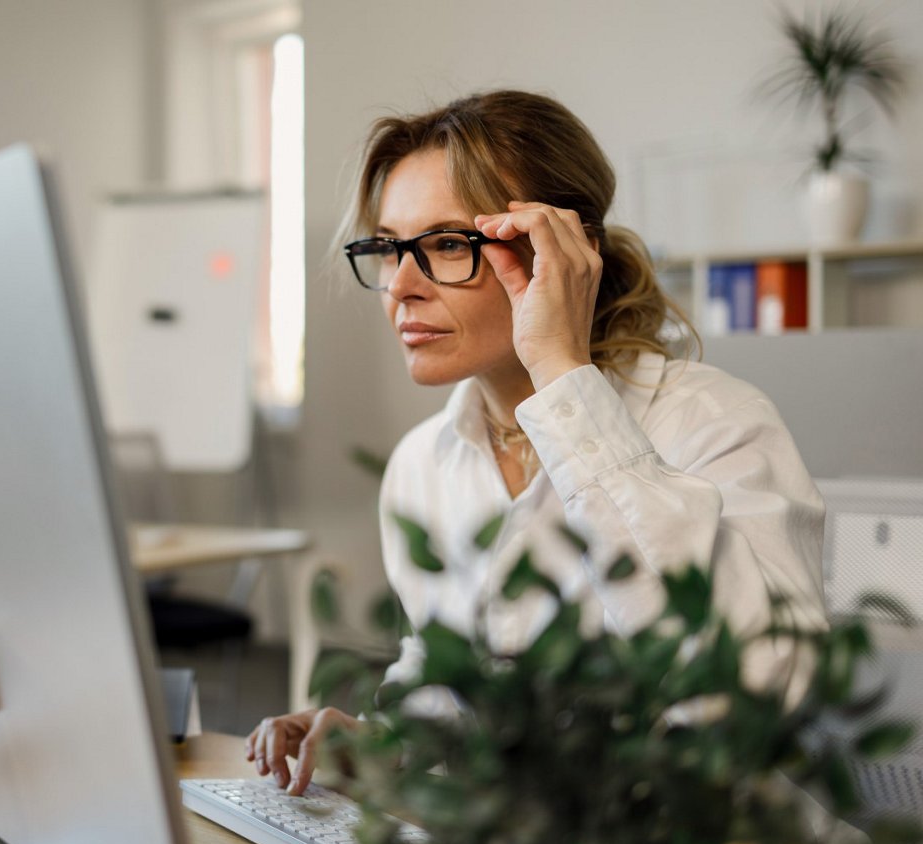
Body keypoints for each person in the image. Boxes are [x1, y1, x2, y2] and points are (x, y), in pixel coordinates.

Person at [246, 90, 826, 795]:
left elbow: (751, 696)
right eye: (389, 248)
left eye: (448, 244)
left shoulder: (712, 421)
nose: (400, 286)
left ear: (563, 252)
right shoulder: (423, 464)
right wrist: (388, 741)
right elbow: (455, 688)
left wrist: (561, 375)